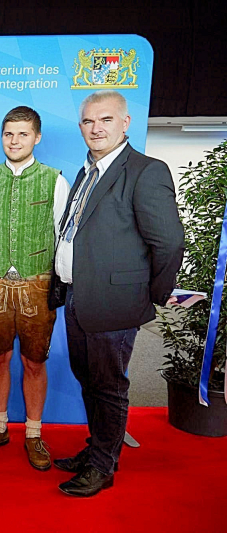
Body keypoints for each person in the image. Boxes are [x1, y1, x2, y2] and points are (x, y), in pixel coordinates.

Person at [53, 90, 183, 496]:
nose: (96, 128)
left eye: (106, 120)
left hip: (116, 304)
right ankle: (97, 449)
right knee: (88, 381)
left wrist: (150, 296)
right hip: (77, 298)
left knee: (108, 387)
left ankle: (104, 466)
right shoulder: (85, 171)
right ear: (81, 128)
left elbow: (169, 243)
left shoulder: (146, 171)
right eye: (89, 122)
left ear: (124, 123)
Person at [0, 106, 70, 471]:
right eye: (9, 134)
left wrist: (59, 284)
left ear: (37, 137)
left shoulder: (54, 179)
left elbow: (65, 236)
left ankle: (33, 433)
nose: (14, 141)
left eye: (23, 134)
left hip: (37, 285)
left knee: (34, 361)